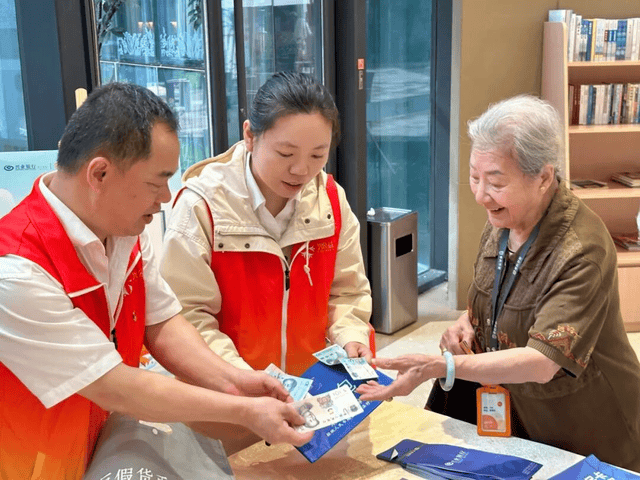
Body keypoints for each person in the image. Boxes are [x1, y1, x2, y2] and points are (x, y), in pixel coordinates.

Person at [0, 82, 312, 480]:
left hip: (99, 454)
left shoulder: (122, 231)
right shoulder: (16, 272)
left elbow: (161, 323)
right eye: (156, 182)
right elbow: (113, 385)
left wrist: (236, 381)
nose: (166, 197)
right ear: (99, 173)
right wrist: (244, 410)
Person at [357, 95, 640, 470]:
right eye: (474, 177)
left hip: (585, 424)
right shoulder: (506, 219)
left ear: (543, 177)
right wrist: (468, 321)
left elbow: (543, 362)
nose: (479, 195)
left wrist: (442, 366)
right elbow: (496, 294)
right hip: (520, 414)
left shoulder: (582, 249)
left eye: (495, 182)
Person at [160, 71, 372, 377]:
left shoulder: (330, 201)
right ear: (250, 136)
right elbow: (187, 316)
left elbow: (348, 292)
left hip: (306, 386)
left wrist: (351, 335)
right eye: (285, 153)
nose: (301, 170)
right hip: (226, 389)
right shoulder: (202, 207)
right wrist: (242, 379)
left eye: (317, 155)